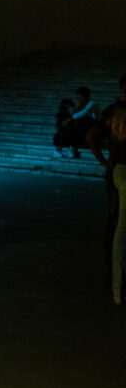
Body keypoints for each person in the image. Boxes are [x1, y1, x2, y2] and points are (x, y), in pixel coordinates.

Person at [86, 75, 126, 305]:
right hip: (121, 169)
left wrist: (104, 161)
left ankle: (115, 281)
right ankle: (118, 287)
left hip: (116, 169)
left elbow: (91, 135)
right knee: (120, 228)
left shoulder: (112, 112)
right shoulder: (117, 112)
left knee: (116, 224)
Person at [72, 86, 100, 158]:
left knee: (84, 121)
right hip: (84, 128)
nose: (79, 100)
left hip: (95, 126)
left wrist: (70, 118)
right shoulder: (80, 105)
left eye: (81, 98)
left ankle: (74, 147)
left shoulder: (93, 104)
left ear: (87, 96)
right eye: (78, 98)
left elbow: (83, 113)